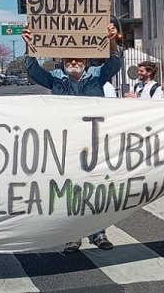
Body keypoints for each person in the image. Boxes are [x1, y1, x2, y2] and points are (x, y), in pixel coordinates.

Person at [22, 23, 121, 252]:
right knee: (69, 189)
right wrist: (29, 44)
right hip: (65, 145)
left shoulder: (97, 75)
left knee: (96, 188)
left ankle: (98, 233)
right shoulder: (56, 78)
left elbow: (115, 63)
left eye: (77, 60)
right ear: (63, 62)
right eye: (68, 60)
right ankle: (73, 236)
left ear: (86, 62)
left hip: (94, 141)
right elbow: (33, 71)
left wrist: (112, 39)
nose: (73, 63)